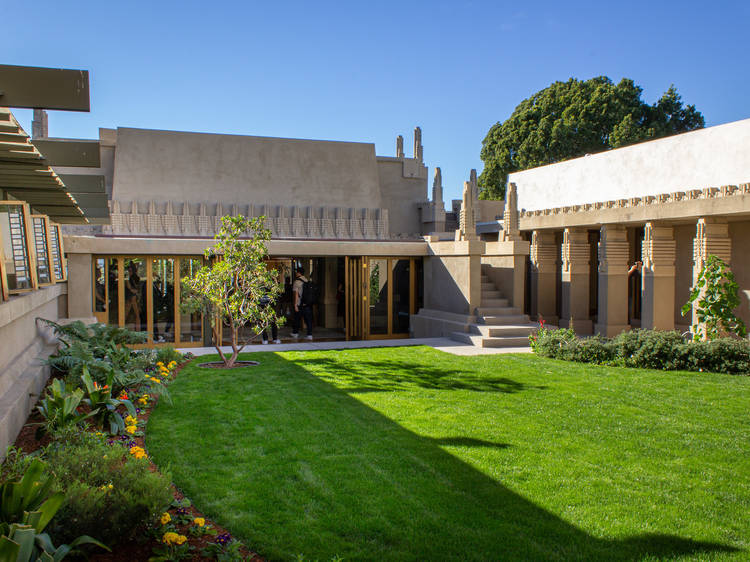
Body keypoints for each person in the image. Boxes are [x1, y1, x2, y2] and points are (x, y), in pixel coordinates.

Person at [291, 267, 313, 340]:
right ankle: (309, 335)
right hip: (307, 304)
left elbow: (296, 294)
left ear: (298, 273)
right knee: (308, 320)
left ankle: (295, 333)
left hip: (300, 303)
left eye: (296, 272)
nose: (296, 273)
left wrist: (295, 305)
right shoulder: (307, 280)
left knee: (297, 319)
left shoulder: (297, 282)